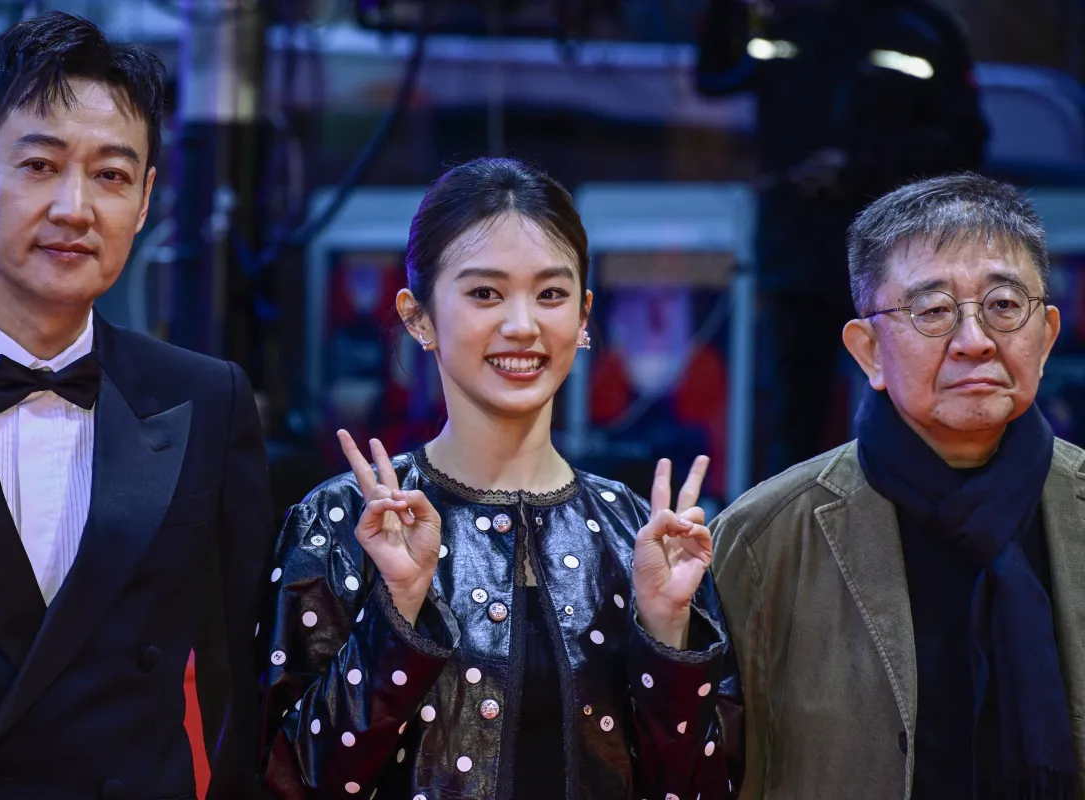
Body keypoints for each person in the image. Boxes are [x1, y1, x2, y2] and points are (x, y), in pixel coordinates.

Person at [257, 157, 743, 799]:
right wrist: (397, 611)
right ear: (418, 316)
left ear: (585, 314)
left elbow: (707, 785)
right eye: (485, 293)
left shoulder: (639, 535)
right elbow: (286, 781)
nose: (522, 324)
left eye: (551, 294)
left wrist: (666, 632)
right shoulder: (344, 522)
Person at [0, 12, 275, 799]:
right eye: (39, 165)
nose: (75, 207)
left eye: (110, 175)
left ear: (145, 200)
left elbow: (244, 679)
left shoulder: (207, 398)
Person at [711, 173, 1084, 798]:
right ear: (869, 352)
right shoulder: (764, 540)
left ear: (1045, 337)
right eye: (934, 311)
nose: (974, 342)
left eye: (1003, 306)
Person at [696, 0, 989, 476]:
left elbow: (965, 142)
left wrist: (860, 166)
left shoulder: (922, 27)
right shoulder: (780, 21)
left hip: (898, 259)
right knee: (795, 418)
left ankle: (907, 537)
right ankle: (791, 540)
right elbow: (714, 77)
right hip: (798, 256)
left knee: (908, 410)